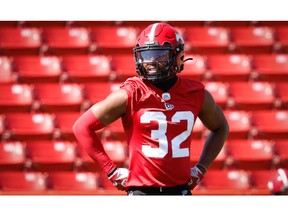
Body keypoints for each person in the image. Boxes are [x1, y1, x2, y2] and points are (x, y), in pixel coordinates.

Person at [73, 22, 229, 195]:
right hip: (142, 192)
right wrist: (111, 170)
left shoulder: (196, 94)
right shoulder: (131, 93)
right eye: (146, 56)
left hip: (180, 191)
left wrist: (201, 168)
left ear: (179, 56)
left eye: (159, 55)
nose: (151, 62)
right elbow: (81, 127)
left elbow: (221, 127)